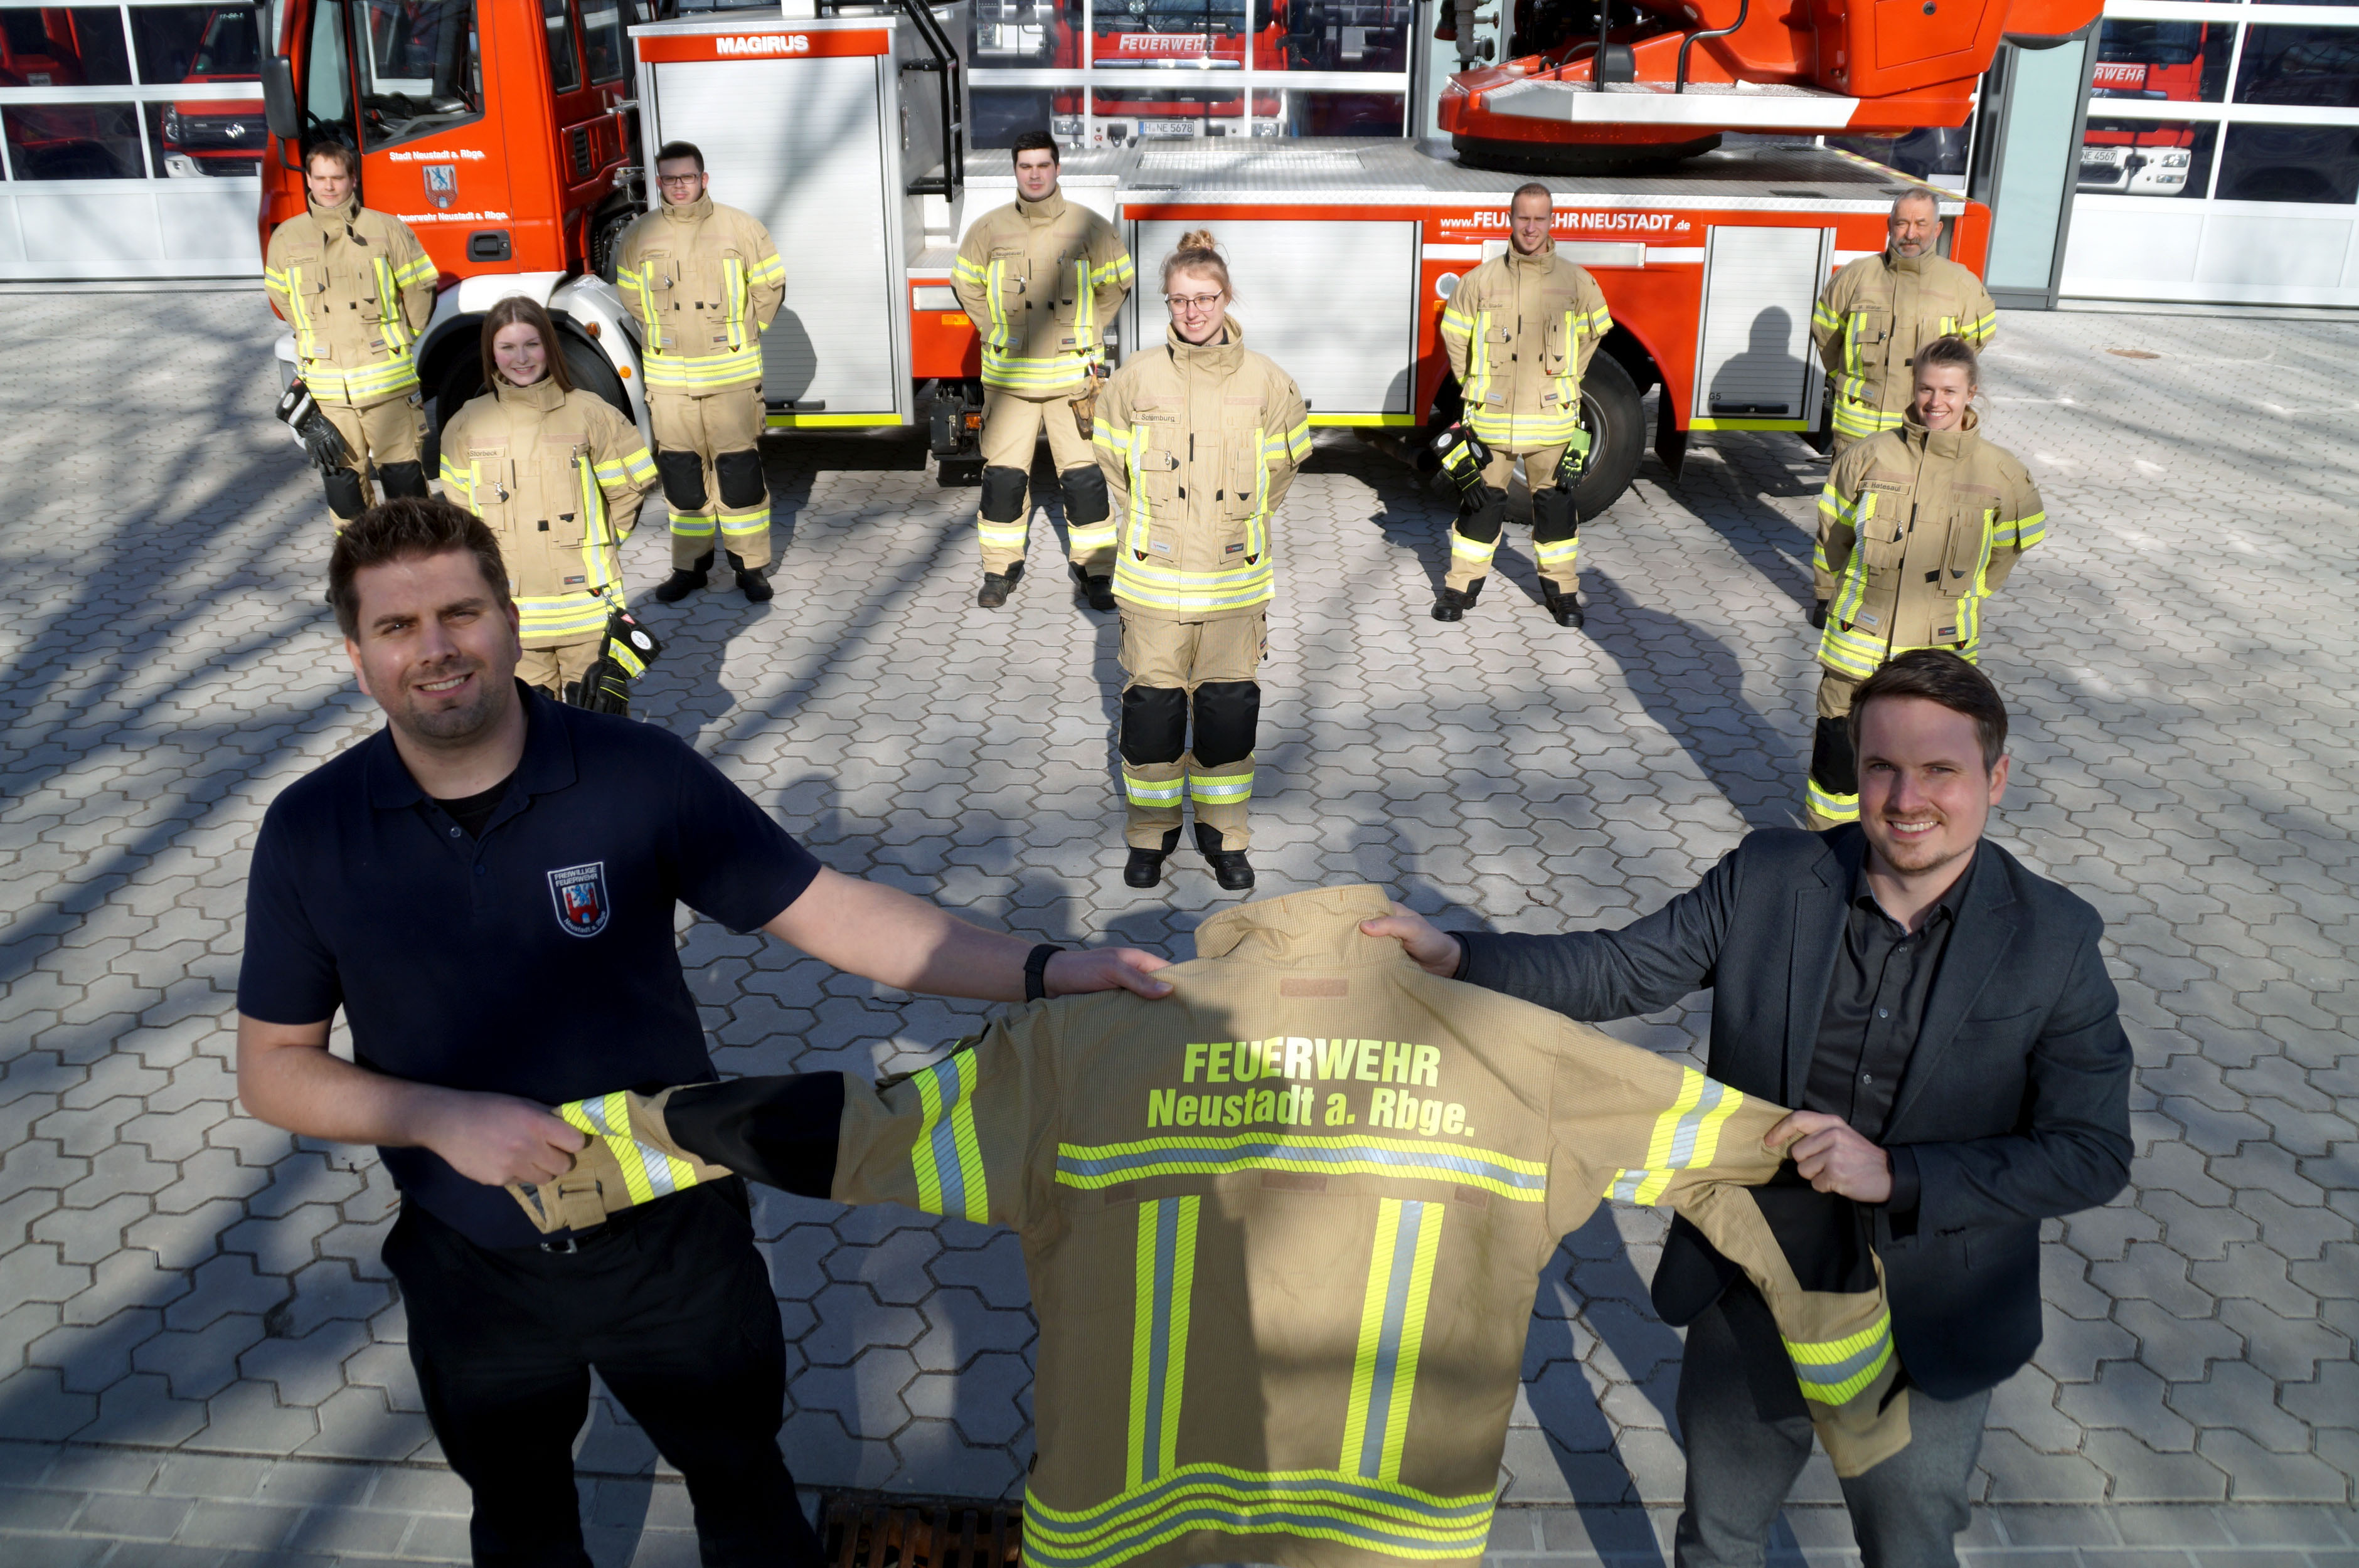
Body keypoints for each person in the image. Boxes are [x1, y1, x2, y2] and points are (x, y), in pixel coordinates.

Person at [233, 495, 1173, 1568]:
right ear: (357, 658)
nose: (437, 649)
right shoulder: (309, 830)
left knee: (743, 1488)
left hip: (675, 1241)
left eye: (461, 612)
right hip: (471, 1269)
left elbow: (837, 915)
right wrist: (436, 1117)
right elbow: (275, 1070)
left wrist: (1054, 971)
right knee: (521, 1518)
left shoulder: (637, 775)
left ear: (509, 619)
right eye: (398, 628)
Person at [517, 882, 1917, 1568]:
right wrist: (1857, 1414)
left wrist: (613, 1145)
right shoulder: (1514, 1048)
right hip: (1394, 1532)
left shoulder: (1082, 1048)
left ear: (1232, 934)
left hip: (1124, 1526)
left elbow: (848, 1130)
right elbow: (1775, 1168)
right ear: (1379, 933)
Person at [1363, 652, 2133, 1568]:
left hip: (1931, 1316)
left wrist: (1900, 1173)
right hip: (1751, 1284)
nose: (1904, 798)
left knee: (1911, 1541)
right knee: (1721, 1533)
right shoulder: (1773, 875)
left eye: (1941, 772)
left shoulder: (2053, 938)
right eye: (1882, 766)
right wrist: (1460, 958)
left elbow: (2090, 1151)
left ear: (1994, 779)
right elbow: (1623, 967)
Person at [1090, 231, 1309, 893]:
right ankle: (1150, 840)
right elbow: (1112, 463)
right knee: (1152, 721)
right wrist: (1157, 527)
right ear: (1168, 303)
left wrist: (1233, 526)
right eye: (1180, 300)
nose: (1193, 312)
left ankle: (1224, 839)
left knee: (1225, 719)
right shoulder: (1135, 379)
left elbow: (1284, 467)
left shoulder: (1267, 381)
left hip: (1233, 587)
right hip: (1152, 585)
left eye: (1205, 298)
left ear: (1226, 297)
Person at [1804, 334, 2043, 829]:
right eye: (1928, 389)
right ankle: (1824, 869)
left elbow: (2009, 547)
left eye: (1951, 391)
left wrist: (1969, 596)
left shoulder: (2003, 473)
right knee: (1836, 778)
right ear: (1913, 388)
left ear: (1971, 393)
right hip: (1856, 652)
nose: (1937, 402)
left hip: (1940, 662)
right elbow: (1834, 538)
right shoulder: (1869, 457)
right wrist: (1827, 595)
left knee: (1920, 780)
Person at [435, 297, 658, 702]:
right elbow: (462, 518)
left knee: (597, 729)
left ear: (550, 348)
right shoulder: (467, 424)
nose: (521, 358)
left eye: (532, 345)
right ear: (490, 354)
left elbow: (629, 493)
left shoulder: (591, 414)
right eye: (507, 347)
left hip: (588, 611)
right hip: (513, 617)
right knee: (532, 735)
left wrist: (598, 545)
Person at [952, 130, 1132, 611]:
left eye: (1043, 165)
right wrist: (993, 330)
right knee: (1004, 480)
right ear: (1015, 171)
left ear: (1057, 169)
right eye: (1025, 166)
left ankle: (1096, 571)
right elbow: (965, 284)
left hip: (1073, 381)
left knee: (1085, 481)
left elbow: (1117, 282)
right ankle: (1000, 568)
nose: (1034, 174)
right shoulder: (987, 230)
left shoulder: (1090, 227)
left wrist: (1090, 329)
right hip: (1010, 383)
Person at [1433, 181, 1613, 627]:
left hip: (1551, 426)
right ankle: (1459, 589)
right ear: (1509, 220)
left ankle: (1564, 595)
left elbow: (1595, 334)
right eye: (1523, 218)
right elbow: (1454, 335)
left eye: (1540, 218)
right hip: (1490, 423)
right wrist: (1473, 382)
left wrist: (1569, 381)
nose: (1531, 228)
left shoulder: (1577, 281)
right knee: (1480, 505)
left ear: (1553, 221)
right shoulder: (1481, 281)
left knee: (1556, 512)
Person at [614, 141, 785, 604]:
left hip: (730, 380)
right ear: (660, 183)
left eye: (687, 177)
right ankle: (689, 568)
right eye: (669, 179)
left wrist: (747, 334)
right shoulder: (640, 235)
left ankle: (750, 569)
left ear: (703, 179)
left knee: (740, 478)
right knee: (683, 479)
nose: (679, 186)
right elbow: (631, 296)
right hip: (670, 384)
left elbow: (771, 286)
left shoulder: (740, 228)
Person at [263, 140, 435, 529]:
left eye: (337, 177)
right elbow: (282, 299)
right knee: (342, 479)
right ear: (308, 179)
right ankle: (356, 564)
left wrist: (400, 337)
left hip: (386, 382)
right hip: (327, 388)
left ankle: (417, 557)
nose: (328, 187)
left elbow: (419, 290)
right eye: (320, 178)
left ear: (352, 179)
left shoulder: (386, 229)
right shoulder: (286, 238)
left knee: (403, 476)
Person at [1810, 189, 1997, 460]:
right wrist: (1855, 380)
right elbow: (1826, 336)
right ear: (1889, 225)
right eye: (1902, 223)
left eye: (1921, 224)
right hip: (1858, 436)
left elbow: (1969, 351)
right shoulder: (1855, 277)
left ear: (1937, 229)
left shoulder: (1962, 285)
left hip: (1926, 432)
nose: (1911, 233)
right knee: (1848, 503)